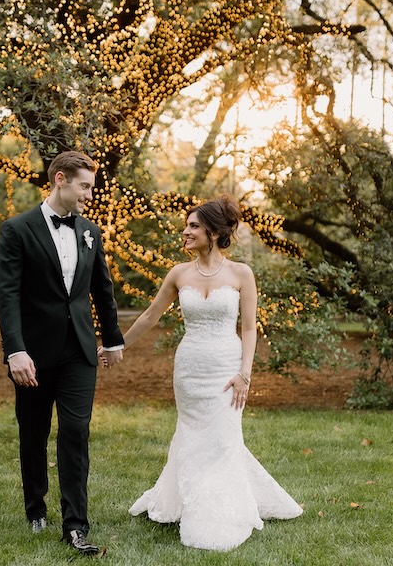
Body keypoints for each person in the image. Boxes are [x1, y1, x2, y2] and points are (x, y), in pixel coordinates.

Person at [109, 194, 302, 551]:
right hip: (190, 368)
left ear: (213, 232)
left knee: (224, 437)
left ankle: (220, 509)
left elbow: (248, 328)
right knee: (193, 435)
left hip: (227, 369)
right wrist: (116, 345)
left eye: (193, 226)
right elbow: (150, 316)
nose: (186, 232)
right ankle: (188, 500)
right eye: (187, 226)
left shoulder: (241, 273)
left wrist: (245, 372)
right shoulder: (179, 274)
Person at [0, 150, 124, 557]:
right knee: (33, 432)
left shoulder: (91, 232)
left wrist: (113, 339)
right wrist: (15, 350)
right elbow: (7, 294)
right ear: (61, 179)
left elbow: (102, 289)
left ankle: (75, 525)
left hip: (79, 351)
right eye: (84, 185)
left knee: (75, 431)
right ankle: (36, 507)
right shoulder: (17, 229)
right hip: (32, 353)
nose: (90, 193)